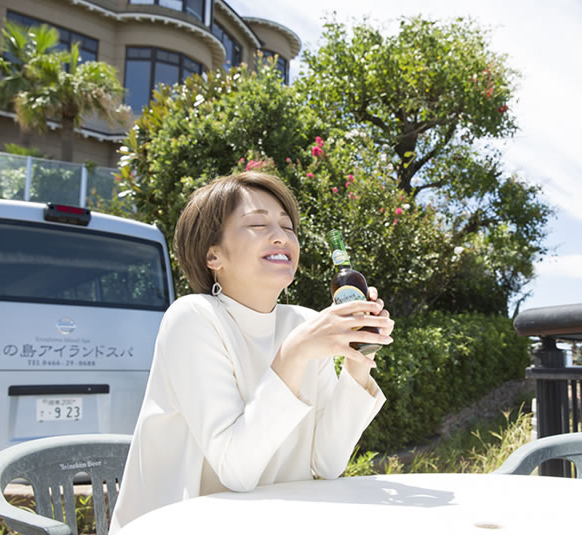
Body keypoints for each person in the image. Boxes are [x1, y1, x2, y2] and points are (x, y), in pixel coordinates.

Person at [109, 171, 393, 532]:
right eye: (257, 224)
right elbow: (236, 470)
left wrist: (358, 361)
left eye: (288, 227)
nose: (281, 237)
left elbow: (328, 463)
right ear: (213, 255)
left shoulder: (303, 323)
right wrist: (293, 354)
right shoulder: (193, 318)